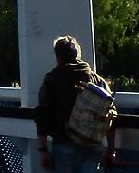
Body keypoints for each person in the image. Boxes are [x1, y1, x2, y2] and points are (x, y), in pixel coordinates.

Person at [36, 35, 111, 173]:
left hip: (64, 143)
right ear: (78, 55)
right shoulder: (96, 80)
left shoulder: (52, 79)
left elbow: (43, 115)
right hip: (92, 144)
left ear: (57, 56)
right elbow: (110, 112)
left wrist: (43, 150)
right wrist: (111, 149)